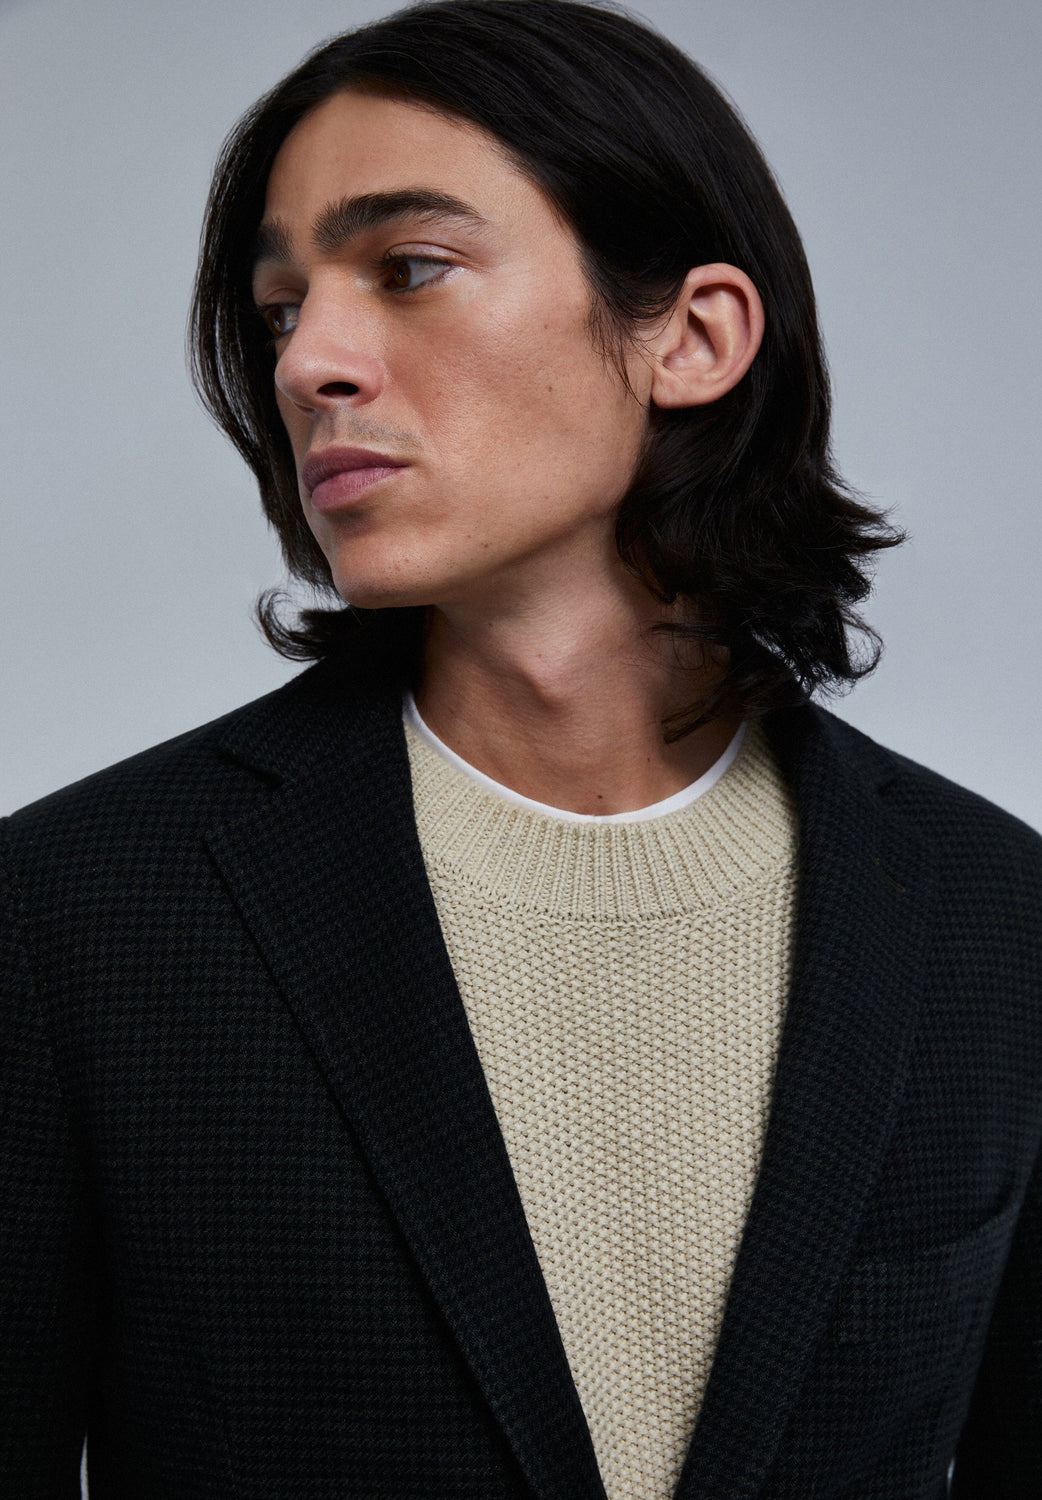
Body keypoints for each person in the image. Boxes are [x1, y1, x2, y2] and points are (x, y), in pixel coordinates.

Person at [2, 1, 1040, 1495]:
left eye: (409, 268)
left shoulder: (993, 915)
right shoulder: (74, 915)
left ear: (692, 337)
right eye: (281, 308)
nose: (308, 364)